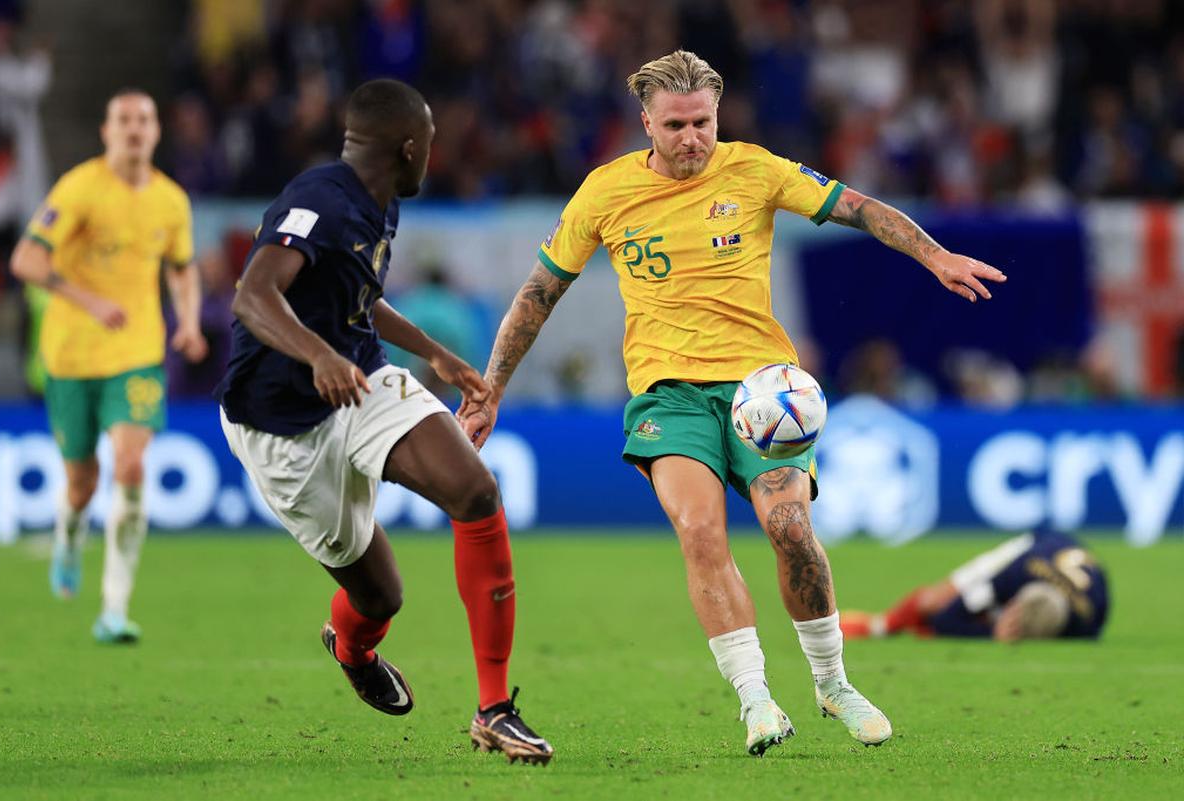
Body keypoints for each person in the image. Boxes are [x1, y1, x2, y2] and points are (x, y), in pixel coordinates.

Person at [459, 50, 1007, 756]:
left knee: (790, 530)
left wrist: (934, 255)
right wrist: (491, 387)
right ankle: (757, 700)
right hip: (668, 393)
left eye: (703, 122)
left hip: (763, 390)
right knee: (699, 532)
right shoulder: (604, 192)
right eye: (677, 124)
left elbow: (859, 207)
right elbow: (538, 294)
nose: (693, 138)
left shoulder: (754, 168)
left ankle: (833, 683)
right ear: (646, 123)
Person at [213, 78, 552, 765]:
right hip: (282, 425)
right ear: (406, 147)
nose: (433, 155)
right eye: (428, 144)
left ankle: (494, 708)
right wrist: (315, 354)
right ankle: (352, 645)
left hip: (361, 380)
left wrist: (432, 350)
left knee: (476, 491)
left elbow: (358, 298)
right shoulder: (319, 200)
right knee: (378, 594)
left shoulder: (380, 204)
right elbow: (253, 295)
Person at [10, 89, 206, 643]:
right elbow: (25, 258)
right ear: (106, 131)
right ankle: (69, 536)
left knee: (131, 466)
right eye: (123, 120)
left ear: (157, 131)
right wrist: (90, 301)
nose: (134, 129)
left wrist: (188, 322)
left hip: (137, 354)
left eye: (144, 119)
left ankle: (115, 607)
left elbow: (182, 269)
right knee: (81, 482)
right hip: (71, 355)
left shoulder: (171, 201)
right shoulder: (80, 187)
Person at [840, 528, 1109, 641]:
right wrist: (992, 632)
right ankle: (881, 625)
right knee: (932, 603)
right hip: (1033, 548)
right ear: (1014, 597)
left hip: (1058, 561)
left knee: (975, 613)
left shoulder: (1088, 621)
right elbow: (948, 617)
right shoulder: (1014, 574)